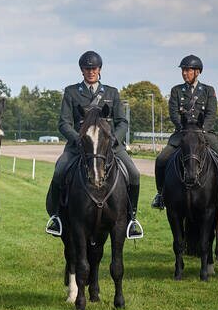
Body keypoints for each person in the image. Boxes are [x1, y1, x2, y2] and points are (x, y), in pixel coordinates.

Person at [44, 51, 144, 239]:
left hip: (109, 146)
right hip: (79, 146)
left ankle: (131, 219)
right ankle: (57, 216)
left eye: (94, 68)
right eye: (87, 68)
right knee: (59, 171)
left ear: (99, 70)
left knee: (134, 174)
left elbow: (122, 122)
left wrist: (115, 139)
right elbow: (64, 123)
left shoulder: (111, 92)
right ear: (82, 70)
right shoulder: (72, 92)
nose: (91, 71)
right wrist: (77, 138)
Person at [152, 55, 218, 211]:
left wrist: (202, 130)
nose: (184, 73)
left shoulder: (208, 90)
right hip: (182, 134)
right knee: (161, 160)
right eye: (183, 70)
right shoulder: (176, 90)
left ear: (197, 72)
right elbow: (174, 113)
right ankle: (160, 195)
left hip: (204, 134)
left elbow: (211, 114)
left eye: (187, 70)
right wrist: (184, 128)